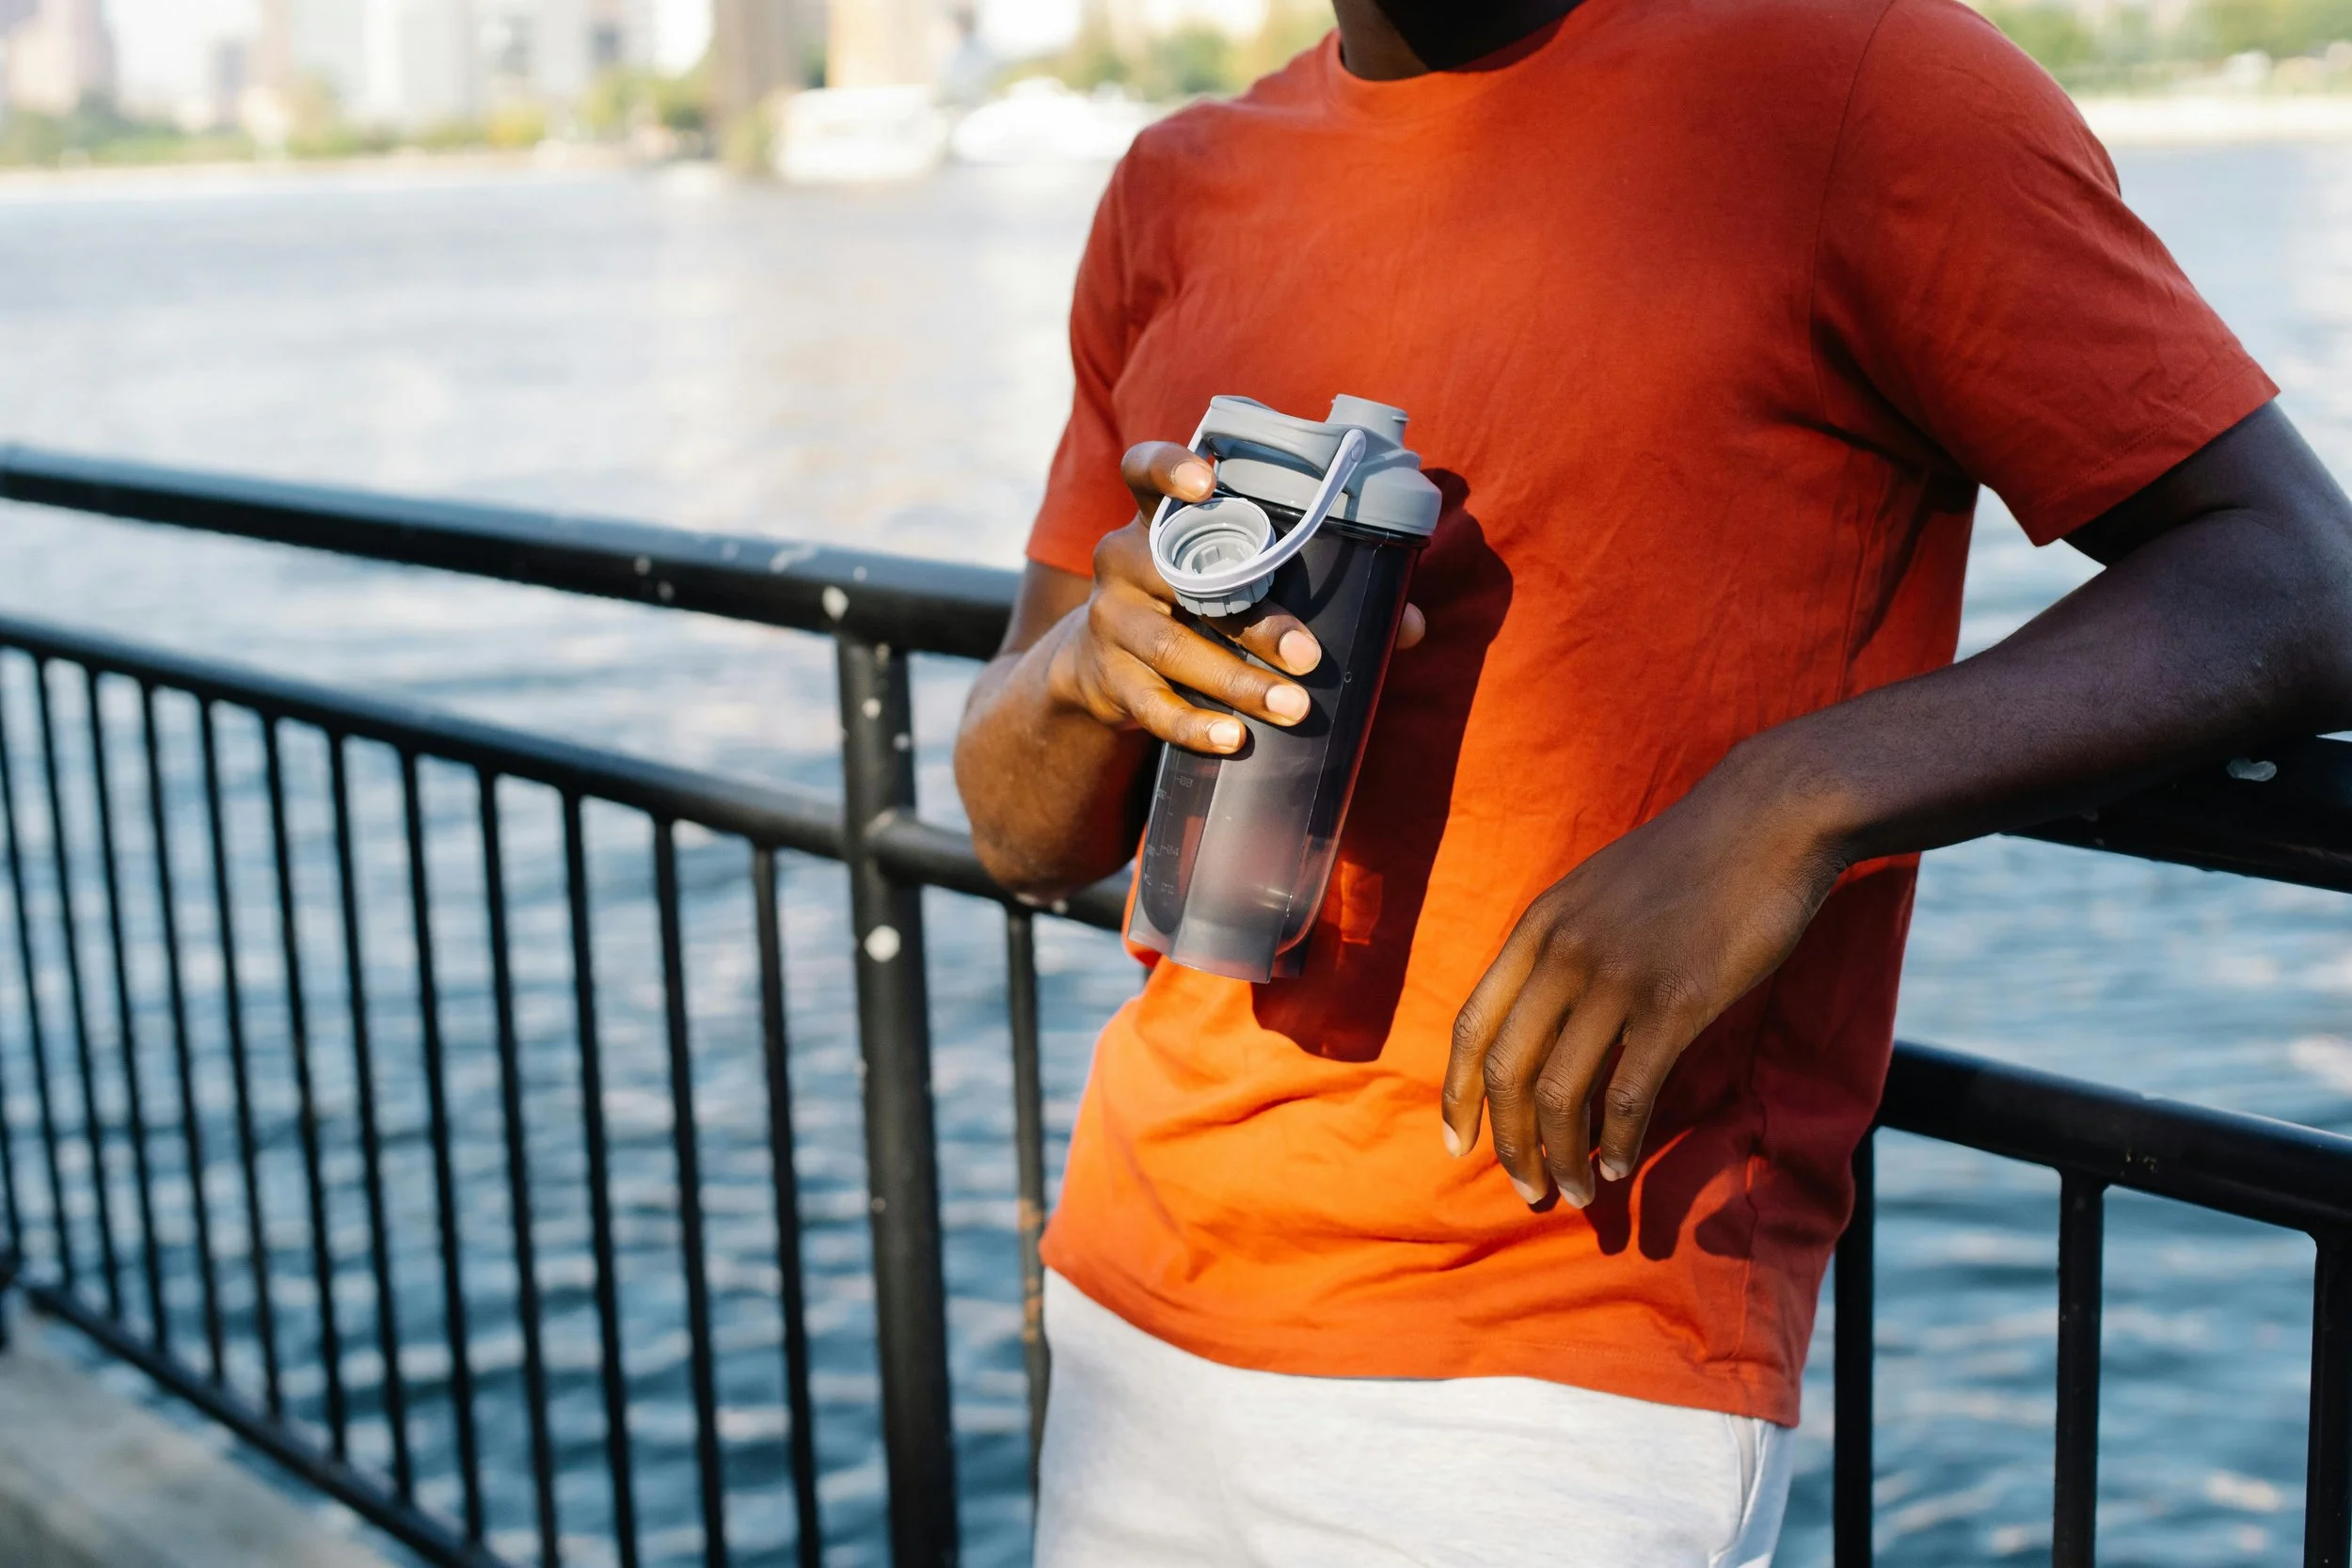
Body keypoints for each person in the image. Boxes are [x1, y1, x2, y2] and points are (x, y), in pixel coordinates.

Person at [952, 0, 2352, 1560]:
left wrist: (1789, 805)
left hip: (1553, 1361)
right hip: (1133, 1300)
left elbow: (2297, 579)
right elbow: (1019, 830)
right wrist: (1091, 667)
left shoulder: (1863, 86)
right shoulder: (1176, 183)